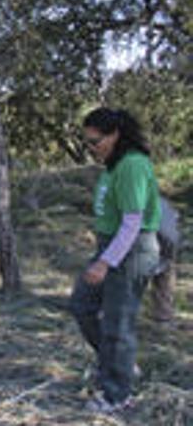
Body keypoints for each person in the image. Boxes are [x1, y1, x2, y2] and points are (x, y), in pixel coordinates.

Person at [70, 108, 162, 414]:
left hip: (131, 252)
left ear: (115, 135)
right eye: (88, 143)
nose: (91, 149)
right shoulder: (113, 165)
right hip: (111, 248)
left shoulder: (133, 165)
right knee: (82, 304)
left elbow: (132, 222)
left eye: (96, 142)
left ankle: (117, 395)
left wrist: (105, 262)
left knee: (118, 324)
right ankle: (117, 363)